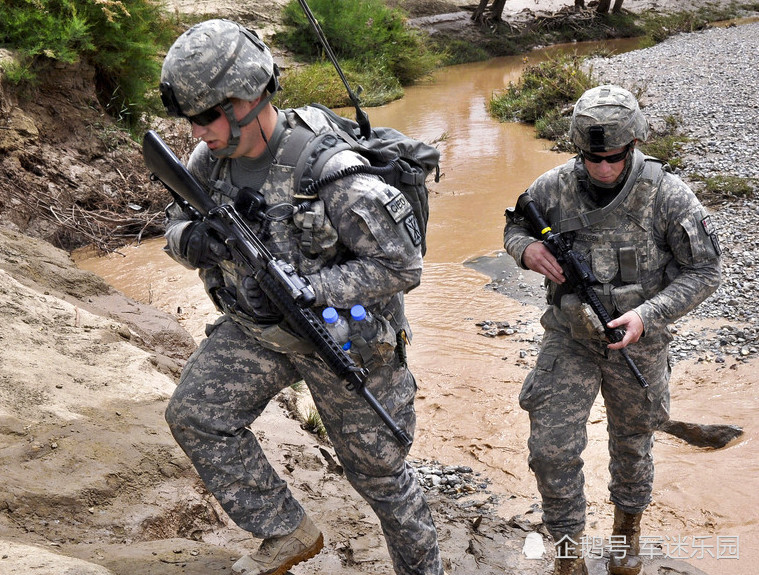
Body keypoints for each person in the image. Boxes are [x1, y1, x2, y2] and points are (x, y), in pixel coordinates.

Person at [157, 19, 446, 575]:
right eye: (189, 119)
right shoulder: (206, 164)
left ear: (246, 98)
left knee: (382, 480)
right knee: (196, 414)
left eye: (205, 117)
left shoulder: (334, 175)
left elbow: (402, 266)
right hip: (259, 330)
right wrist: (195, 240)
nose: (197, 132)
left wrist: (314, 291)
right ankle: (286, 530)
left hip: (345, 341)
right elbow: (174, 225)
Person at [503, 85, 721, 575]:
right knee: (550, 450)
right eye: (593, 158)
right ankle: (567, 554)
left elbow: (705, 270)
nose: (604, 169)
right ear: (579, 150)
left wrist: (648, 315)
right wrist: (525, 251)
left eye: (615, 158)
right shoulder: (552, 187)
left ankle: (627, 534)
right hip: (570, 338)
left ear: (633, 145)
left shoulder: (668, 194)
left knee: (632, 443)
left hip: (639, 343)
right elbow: (515, 225)